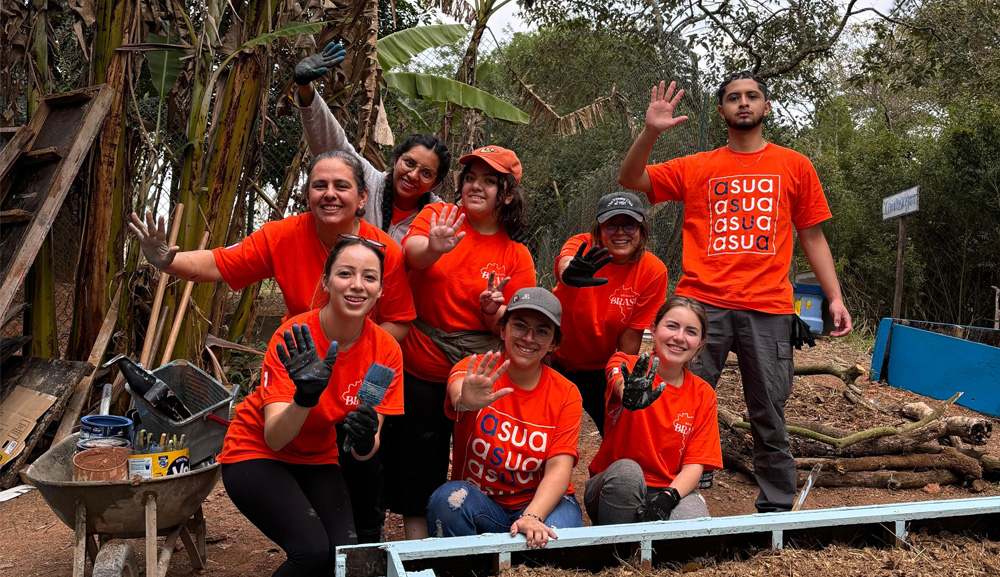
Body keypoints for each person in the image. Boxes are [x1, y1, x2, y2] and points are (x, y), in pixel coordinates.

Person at [129, 150, 412, 543]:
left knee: (362, 453)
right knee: (312, 544)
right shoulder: (283, 237)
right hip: (300, 359)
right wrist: (166, 263)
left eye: (341, 186)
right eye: (320, 185)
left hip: (354, 368)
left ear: (362, 197)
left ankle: (364, 538)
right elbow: (221, 263)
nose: (330, 194)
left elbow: (397, 321)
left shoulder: (385, 254)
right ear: (327, 281)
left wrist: (356, 355)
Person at [618, 72, 853, 513]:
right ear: (722, 110)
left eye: (752, 96)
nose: (743, 103)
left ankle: (777, 508)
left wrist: (833, 297)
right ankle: (665, 495)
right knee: (674, 401)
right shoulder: (697, 165)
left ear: (766, 107)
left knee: (768, 413)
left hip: (768, 307)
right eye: (732, 98)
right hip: (701, 306)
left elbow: (812, 236)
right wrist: (651, 130)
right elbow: (631, 178)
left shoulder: (794, 165)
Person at [217, 237, 404, 576]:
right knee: (312, 552)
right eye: (346, 274)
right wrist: (305, 397)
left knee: (342, 555)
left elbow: (366, 446)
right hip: (256, 451)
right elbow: (275, 437)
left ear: (380, 289)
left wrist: (364, 439)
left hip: (318, 455)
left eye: (370, 277)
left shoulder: (385, 350)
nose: (357, 286)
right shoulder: (293, 337)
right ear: (327, 281)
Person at [383, 145, 536, 539]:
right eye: (470, 178)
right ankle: (417, 554)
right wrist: (434, 246)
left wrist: (491, 310)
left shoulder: (515, 254)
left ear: (506, 193)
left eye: (489, 181)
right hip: (420, 363)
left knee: (475, 463)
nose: (476, 186)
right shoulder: (438, 216)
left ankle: (470, 542)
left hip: (477, 372)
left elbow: (515, 323)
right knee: (418, 463)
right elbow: (411, 257)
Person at [427, 287, 583, 548]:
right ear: (503, 329)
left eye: (542, 331)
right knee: (447, 501)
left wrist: (533, 516)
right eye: (520, 326)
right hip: (482, 503)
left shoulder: (566, 393)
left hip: (541, 502)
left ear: (554, 343)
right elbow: (459, 393)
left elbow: (559, 467)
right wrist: (467, 401)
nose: (529, 338)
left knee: (559, 537)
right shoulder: (477, 369)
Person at [293, 42, 451, 244]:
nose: (413, 175)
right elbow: (333, 147)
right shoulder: (368, 180)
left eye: (426, 173)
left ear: (435, 183)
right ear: (396, 161)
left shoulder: (438, 215)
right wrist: (305, 88)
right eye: (409, 163)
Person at [585, 297, 722, 525]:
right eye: (672, 326)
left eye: (691, 331)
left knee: (694, 528)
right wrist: (627, 391)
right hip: (615, 485)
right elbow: (617, 379)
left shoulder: (703, 394)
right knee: (628, 474)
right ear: (653, 328)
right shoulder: (626, 363)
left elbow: (695, 463)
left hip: (669, 488)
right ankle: (615, 550)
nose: (679, 337)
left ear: (700, 343)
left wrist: (669, 497)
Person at [551, 191, 668, 436]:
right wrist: (570, 272)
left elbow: (629, 342)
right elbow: (567, 262)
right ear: (598, 231)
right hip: (552, 357)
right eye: (611, 225)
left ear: (642, 230)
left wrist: (622, 382)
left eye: (629, 224)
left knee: (620, 430)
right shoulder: (583, 246)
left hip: (599, 365)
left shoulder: (652, 271)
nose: (620, 232)